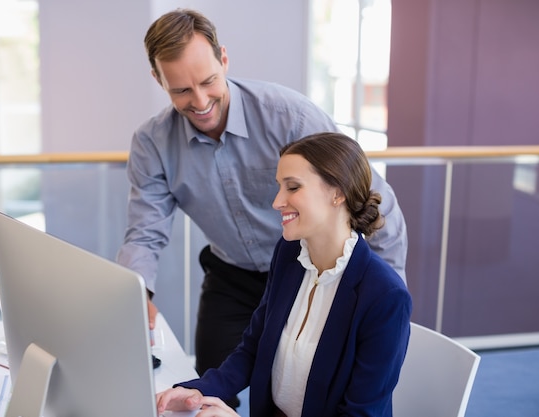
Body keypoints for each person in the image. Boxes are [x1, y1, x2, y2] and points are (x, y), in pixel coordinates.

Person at [115, 9, 408, 405]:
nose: (200, 102)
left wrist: (382, 296)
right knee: (213, 385)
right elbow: (145, 230)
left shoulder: (289, 116)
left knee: (324, 391)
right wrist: (136, 293)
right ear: (158, 79)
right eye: (181, 91)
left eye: (208, 81)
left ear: (224, 58)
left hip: (312, 270)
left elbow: (369, 196)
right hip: (234, 275)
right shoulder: (152, 143)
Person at [155, 132, 412, 417]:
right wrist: (200, 391)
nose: (277, 201)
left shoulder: (385, 296)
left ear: (338, 192)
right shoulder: (289, 254)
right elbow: (255, 346)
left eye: (292, 187)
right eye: (279, 187)